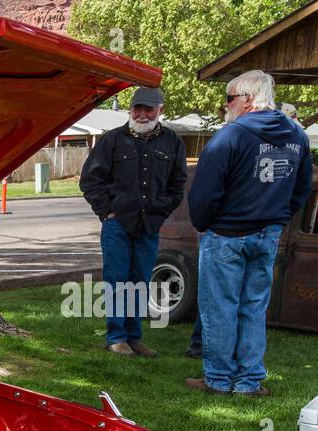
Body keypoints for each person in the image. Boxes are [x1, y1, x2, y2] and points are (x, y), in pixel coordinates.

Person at [185, 71, 313, 396]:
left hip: (227, 234)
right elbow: (301, 189)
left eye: (228, 98)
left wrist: (205, 223)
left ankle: (218, 378)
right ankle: (248, 381)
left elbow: (205, 192)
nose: (225, 105)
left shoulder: (231, 136)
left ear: (246, 98)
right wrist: (278, 219)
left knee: (220, 307)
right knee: (254, 308)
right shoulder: (296, 136)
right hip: (267, 234)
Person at [81, 86, 188, 357]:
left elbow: (178, 185)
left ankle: (134, 336)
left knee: (140, 281)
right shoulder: (112, 140)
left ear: (160, 110)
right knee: (117, 280)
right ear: (130, 109)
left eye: (148, 109)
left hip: (149, 225)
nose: (141, 114)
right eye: (137, 108)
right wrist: (107, 212)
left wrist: (161, 211)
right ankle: (116, 337)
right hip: (117, 224)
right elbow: (91, 180)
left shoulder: (172, 142)